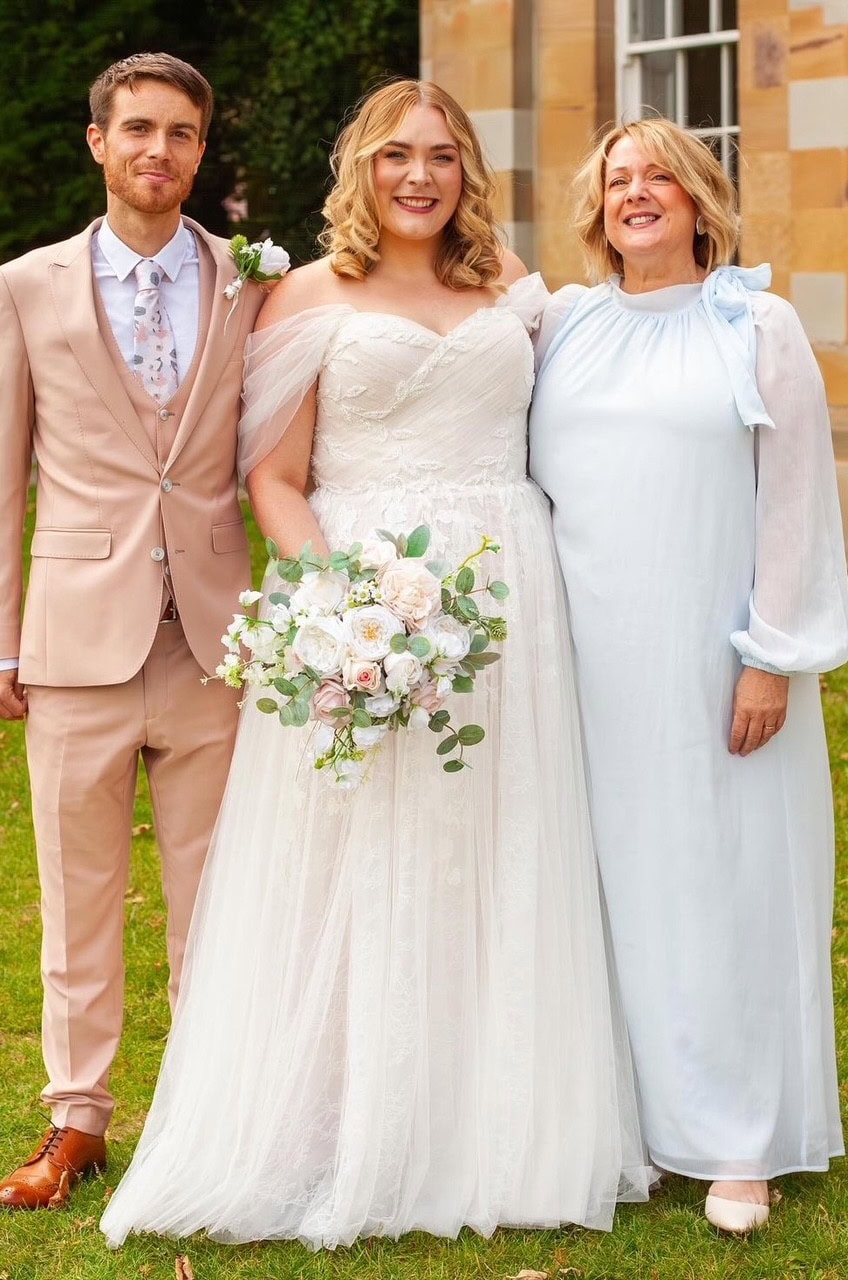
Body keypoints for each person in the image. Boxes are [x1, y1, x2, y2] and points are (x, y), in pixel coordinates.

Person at [100, 79, 652, 1249]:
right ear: (362, 164)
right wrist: (352, 601)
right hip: (366, 591)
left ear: (467, 171)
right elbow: (276, 479)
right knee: (363, 850)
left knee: (500, 840)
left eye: (442, 155)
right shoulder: (307, 292)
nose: (419, 174)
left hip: (511, 596)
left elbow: (593, 422)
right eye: (397, 153)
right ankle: (352, 1116)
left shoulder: (512, 287)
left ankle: (492, 1118)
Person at [529, 117, 848, 1235]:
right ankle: (635, 1117)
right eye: (616, 179)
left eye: (657, 173)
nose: (635, 192)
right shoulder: (561, 324)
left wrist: (769, 655)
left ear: (699, 194)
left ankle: (737, 1139)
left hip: (717, 663)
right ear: (595, 207)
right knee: (616, 890)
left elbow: (798, 499)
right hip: (584, 666)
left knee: (726, 884)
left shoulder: (751, 324)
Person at [0, 53, 265, 1210]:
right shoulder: (23, 287)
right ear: (98, 141)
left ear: (201, 153)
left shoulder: (256, 281)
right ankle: (77, 1119)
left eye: (182, 135)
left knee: (223, 892)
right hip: (74, 639)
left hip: (215, 637)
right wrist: (2, 640)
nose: (160, 151)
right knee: (79, 890)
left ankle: (214, 1119)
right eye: (139, 130)